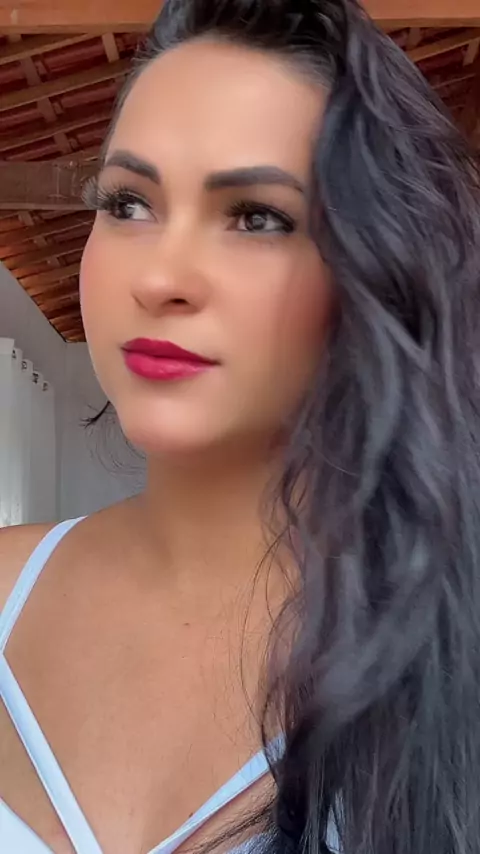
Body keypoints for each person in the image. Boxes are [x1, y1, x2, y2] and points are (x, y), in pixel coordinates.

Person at [1, 0, 480, 852]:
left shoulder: (450, 643)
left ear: (374, 268)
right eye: (128, 203)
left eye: (257, 216)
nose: (162, 277)